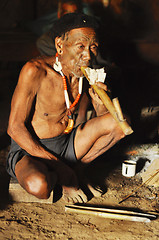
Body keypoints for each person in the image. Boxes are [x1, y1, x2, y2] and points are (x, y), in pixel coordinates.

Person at [6, 13, 125, 204]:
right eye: (80, 46)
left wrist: (100, 103)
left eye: (93, 46)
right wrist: (61, 170)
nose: (88, 55)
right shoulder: (35, 71)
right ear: (60, 45)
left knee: (120, 123)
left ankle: (76, 172)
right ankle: (64, 176)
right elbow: (14, 128)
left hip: (67, 143)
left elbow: (103, 123)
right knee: (39, 187)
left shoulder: (83, 75)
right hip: (31, 151)